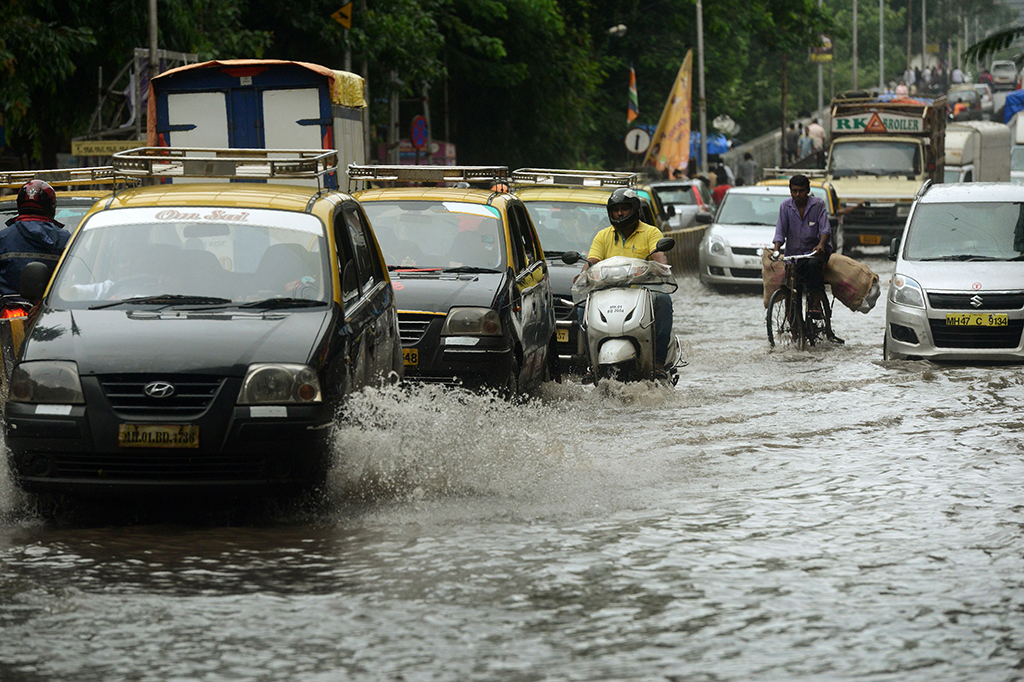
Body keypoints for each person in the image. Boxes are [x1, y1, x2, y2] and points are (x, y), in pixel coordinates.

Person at [578, 187, 673, 381]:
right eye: (616, 209)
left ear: (634, 209)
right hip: (607, 294)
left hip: (643, 292)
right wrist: (582, 276)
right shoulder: (603, 236)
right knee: (581, 308)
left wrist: (659, 267)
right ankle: (591, 363)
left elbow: (659, 258)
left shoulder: (651, 233)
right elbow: (592, 262)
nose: (619, 213)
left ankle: (658, 362)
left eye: (624, 208)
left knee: (663, 300)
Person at [770, 174, 831, 317]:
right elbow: (780, 231)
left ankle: (815, 303)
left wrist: (821, 245)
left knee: (812, 266)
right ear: (790, 191)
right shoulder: (785, 206)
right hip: (794, 256)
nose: (798, 194)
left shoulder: (818, 205)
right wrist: (776, 250)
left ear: (808, 190)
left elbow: (825, 229)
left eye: (801, 191)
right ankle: (794, 325)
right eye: (794, 191)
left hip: (814, 254)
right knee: (791, 289)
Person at [0, 180, 70, 296]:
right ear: (51, 207)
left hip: (8, 306)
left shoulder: (3, 237)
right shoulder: (65, 239)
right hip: (51, 306)